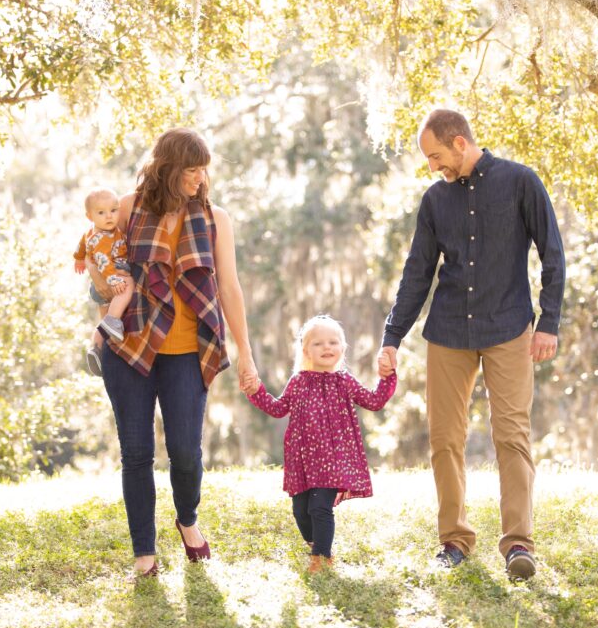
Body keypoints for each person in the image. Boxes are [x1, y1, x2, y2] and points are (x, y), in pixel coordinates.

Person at [378, 109, 565, 580]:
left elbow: (553, 254)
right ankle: (454, 541)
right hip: (448, 333)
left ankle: (518, 543)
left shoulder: (522, 182)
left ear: (460, 143)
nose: (432, 166)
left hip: (509, 327)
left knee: (512, 435)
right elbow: (417, 272)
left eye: (436, 155)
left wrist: (550, 322)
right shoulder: (435, 200)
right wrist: (392, 337)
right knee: (444, 439)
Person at [101, 128, 259, 578]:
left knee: (186, 452)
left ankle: (187, 519)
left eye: (203, 169)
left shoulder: (214, 219)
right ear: (168, 170)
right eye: (191, 170)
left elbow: (228, 287)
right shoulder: (129, 208)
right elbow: (105, 265)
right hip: (130, 346)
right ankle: (144, 553)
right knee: (136, 453)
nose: (200, 177)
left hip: (189, 349)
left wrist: (245, 354)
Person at [245, 315, 396, 574]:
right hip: (302, 460)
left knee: (320, 508)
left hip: (333, 460)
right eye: (318, 344)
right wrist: (256, 391)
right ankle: (316, 544)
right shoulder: (299, 381)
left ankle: (321, 558)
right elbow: (278, 408)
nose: (327, 348)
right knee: (301, 512)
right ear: (306, 351)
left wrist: (387, 378)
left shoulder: (344, 381)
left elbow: (374, 401)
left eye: (333, 342)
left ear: (342, 349)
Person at [73, 187, 134, 376]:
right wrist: (114, 280)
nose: (109, 216)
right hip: (109, 280)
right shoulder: (103, 239)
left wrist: (79, 258)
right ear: (89, 216)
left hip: (100, 288)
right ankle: (113, 321)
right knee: (128, 285)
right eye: (101, 213)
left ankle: (96, 348)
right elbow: (105, 262)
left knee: (104, 324)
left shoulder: (92, 233)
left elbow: (82, 244)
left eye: (113, 211)